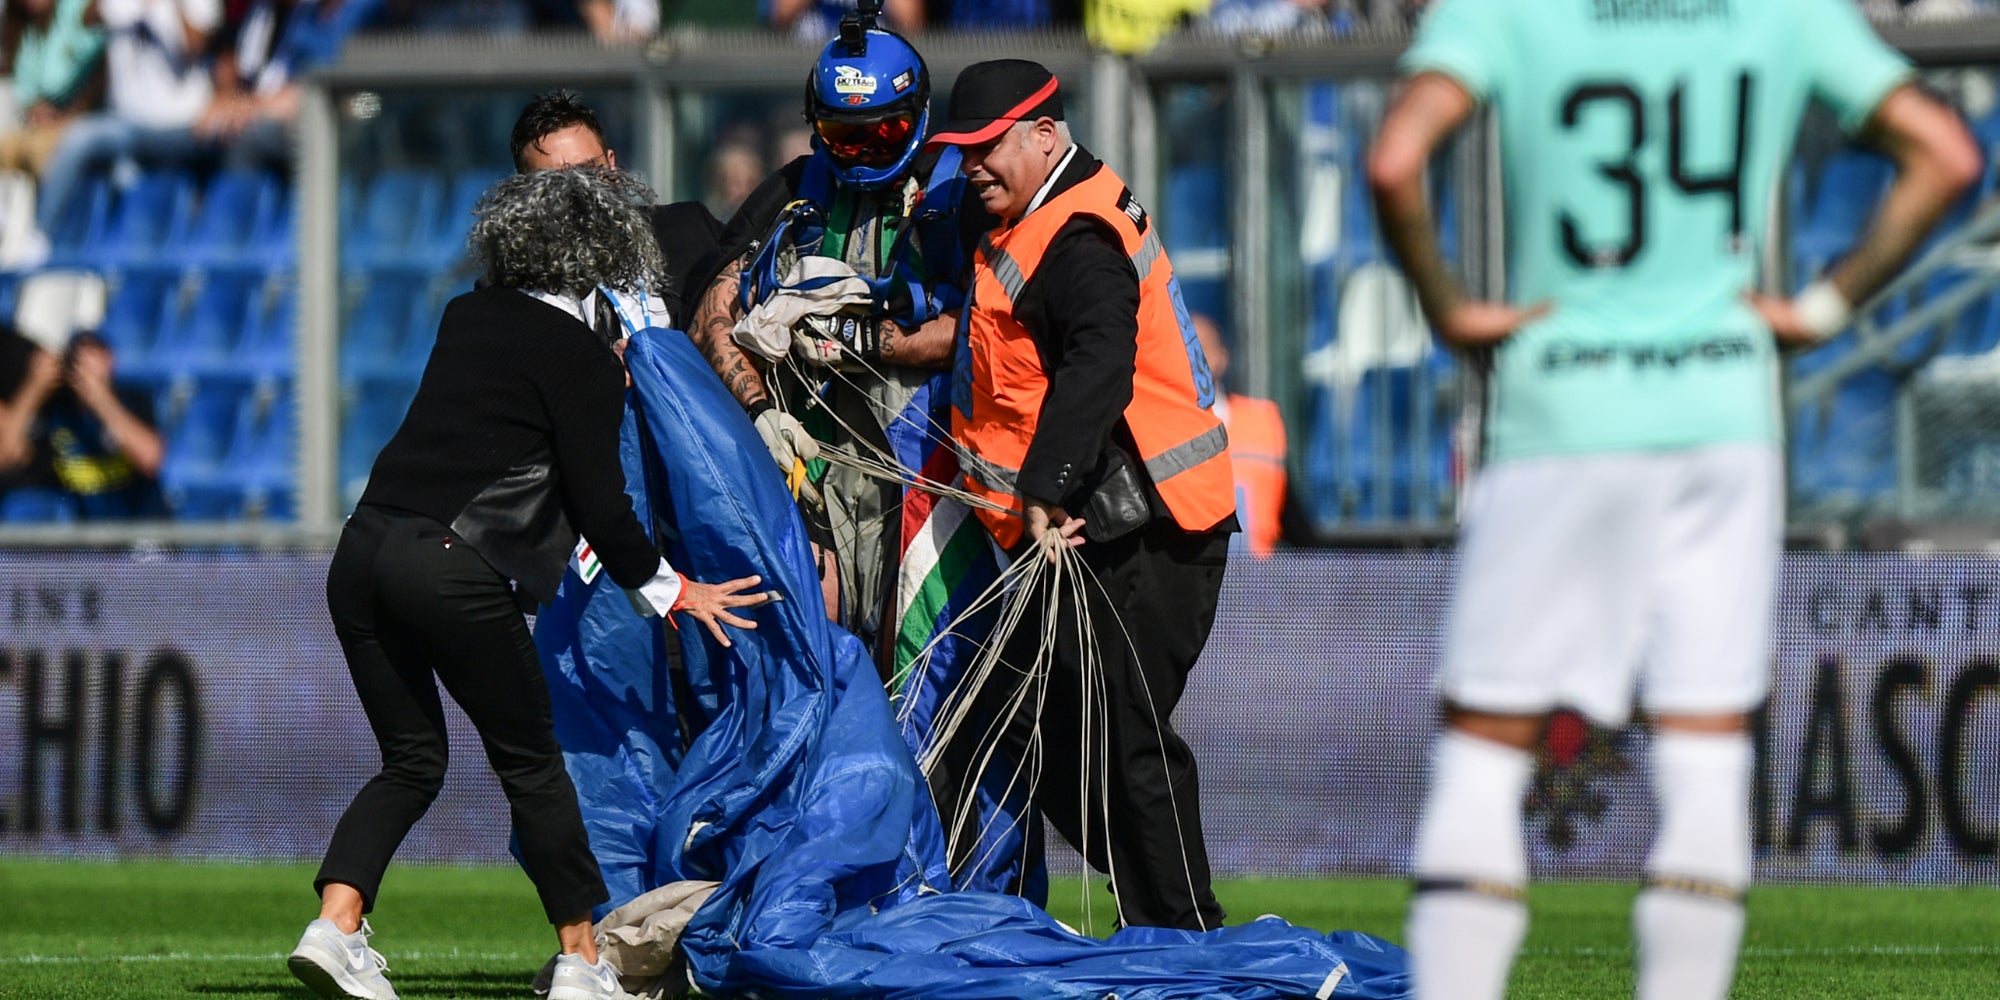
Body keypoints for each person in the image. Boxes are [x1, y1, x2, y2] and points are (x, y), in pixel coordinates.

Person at [1368, 1, 1981, 997]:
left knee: (1484, 753)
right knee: (1703, 756)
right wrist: (1818, 309)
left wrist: (1443, 304)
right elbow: (1945, 153)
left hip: (1557, 412)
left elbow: (1395, 159)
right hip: (1720, 416)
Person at [288, 167, 773, 1000]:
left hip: (361, 552)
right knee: (533, 767)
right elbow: (599, 502)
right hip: (452, 568)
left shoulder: (464, 314)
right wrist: (673, 590)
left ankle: (333, 928)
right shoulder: (577, 353)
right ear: (594, 257)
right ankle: (583, 960)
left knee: (410, 761)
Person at [929, 59, 1239, 931]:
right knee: (1050, 736)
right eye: (964, 153)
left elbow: (1099, 360)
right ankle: (1162, 915)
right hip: (1092, 525)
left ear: (1046, 134)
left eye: (988, 149)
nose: (973, 167)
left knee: (1121, 738)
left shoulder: (1075, 238)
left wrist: (1046, 484)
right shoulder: (1036, 211)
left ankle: (1188, 940)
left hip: (1147, 525)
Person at [685, 1, 975, 654]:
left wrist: (860, 343)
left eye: (886, 132)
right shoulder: (796, 189)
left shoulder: (960, 192)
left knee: (925, 660)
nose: (867, 152)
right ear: (817, 130)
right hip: (816, 470)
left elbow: (989, 329)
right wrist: (761, 412)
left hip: (931, 469)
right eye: (847, 137)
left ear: (920, 114)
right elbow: (714, 308)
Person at [510, 88, 723, 331]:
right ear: (526, 192)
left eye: (588, 171)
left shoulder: (690, 231)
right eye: (555, 181)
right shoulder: (510, 295)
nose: (579, 191)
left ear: (612, 165)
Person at [0, 327, 165, 518]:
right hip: (84, 539)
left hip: (138, 529)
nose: (84, 371)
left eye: (92, 359)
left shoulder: (132, 400)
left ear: (110, 361)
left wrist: (101, 401)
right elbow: (6, 457)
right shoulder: (57, 411)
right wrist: (34, 387)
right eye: (77, 361)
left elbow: (152, 460)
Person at [1192, 312, 1286, 558]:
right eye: (1183, 349)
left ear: (1222, 358)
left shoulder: (1261, 421)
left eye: (1201, 349)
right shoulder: (1157, 429)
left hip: (1256, 580)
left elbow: (1290, 510)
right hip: (1192, 579)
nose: (1191, 360)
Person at [0, 0, 106, 182]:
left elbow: (105, 68)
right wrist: (37, 111)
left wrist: (71, 115)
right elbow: (26, 93)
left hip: (85, 120)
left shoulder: (83, 10)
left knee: (40, 153)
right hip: (39, 126)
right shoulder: (26, 31)